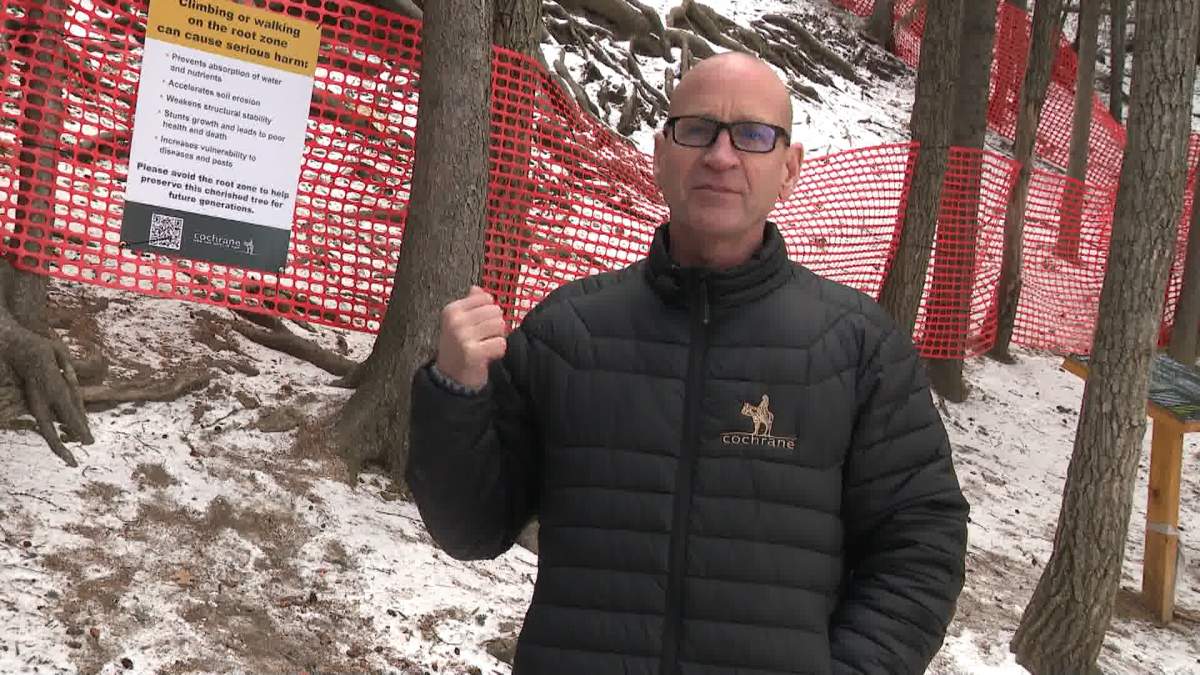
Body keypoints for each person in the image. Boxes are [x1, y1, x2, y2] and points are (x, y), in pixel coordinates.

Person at [406, 52, 969, 675]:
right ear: (660, 154)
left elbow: (921, 543)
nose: (721, 157)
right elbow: (469, 530)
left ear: (789, 168)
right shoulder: (569, 333)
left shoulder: (857, 348)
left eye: (753, 136)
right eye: (697, 129)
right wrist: (455, 394)